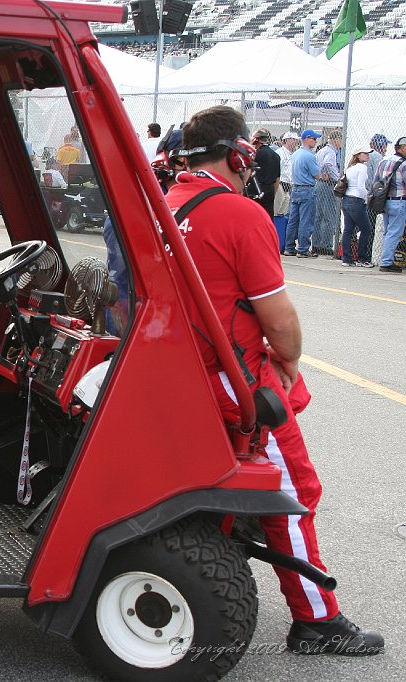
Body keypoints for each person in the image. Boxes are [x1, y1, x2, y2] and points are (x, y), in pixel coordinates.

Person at [166, 105, 383, 657]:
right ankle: (316, 619)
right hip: (234, 379)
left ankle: (217, 563)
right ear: (238, 153)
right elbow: (277, 317)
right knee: (292, 491)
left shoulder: (166, 205)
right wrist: (287, 358)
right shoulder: (239, 215)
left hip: (180, 373)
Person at [285, 130, 326, 257]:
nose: (315, 141)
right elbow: (317, 174)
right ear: (307, 139)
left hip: (296, 188)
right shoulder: (309, 156)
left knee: (293, 220)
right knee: (306, 220)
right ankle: (303, 249)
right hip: (307, 189)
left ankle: (289, 247)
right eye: (314, 139)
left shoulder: (296, 154)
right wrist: (324, 176)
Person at [339, 146, 375, 267]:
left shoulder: (350, 167)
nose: (368, 156)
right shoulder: (362, 167)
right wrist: (367, 197)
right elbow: (361, 186)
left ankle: (347, 258)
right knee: (366, 229)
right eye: (365, 154)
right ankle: (362, 258)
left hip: (347, 199)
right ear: (358, 155)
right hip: (356, 200)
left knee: (348, 230)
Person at [375, 136, 406, 274]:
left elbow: (376, 182)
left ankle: (386, 260)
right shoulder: (403, 164)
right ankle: (386, 262)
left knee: (388, 232)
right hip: (399, 200)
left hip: (385, 200)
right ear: (404, 148)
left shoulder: (383, 162)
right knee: (394, 233)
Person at [314, 131, 342, 255]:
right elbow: (327, 164)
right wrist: (337, 178)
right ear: (336, 139)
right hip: (328, 184)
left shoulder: (322, 150)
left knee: (319, 216)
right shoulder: (331, 152)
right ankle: (325, 245)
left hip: (320, 184)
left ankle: (316, 244)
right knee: (329, 216)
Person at [251, 128, 280, 216]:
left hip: (256, 189)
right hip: (270, 189)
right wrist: (273, 192)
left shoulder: (255, 154)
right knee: (268, 215)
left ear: (256, 140)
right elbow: (277, 178)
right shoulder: (276, 155)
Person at [275, 131, 299, 215]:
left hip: (288, 184)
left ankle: (280, 225)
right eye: (294, 140)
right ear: (287, 140)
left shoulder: (291, 154)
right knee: (277, 205)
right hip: (280, 183)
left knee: (284, 207)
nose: (296, 142)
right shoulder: (280, 152)